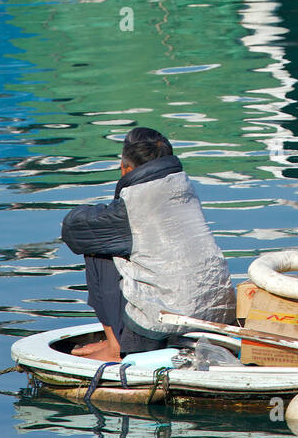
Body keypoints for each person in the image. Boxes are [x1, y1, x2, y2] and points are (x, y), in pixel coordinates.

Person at [62, 127, 235, 362]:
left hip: (161, 323)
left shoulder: (133, 205)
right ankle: (114, 341)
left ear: (127, 169)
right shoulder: (185, 188)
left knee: (96, 248)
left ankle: (115, 347)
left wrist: (103, 209)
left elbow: (73, 230)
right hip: (217, 313)